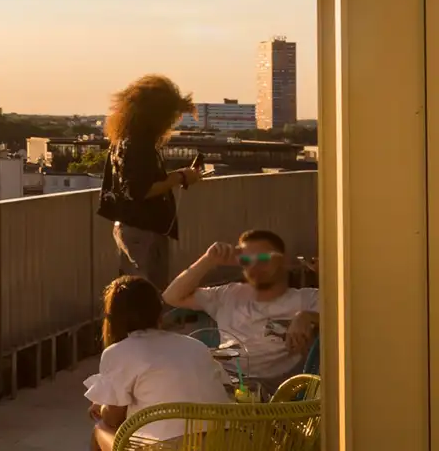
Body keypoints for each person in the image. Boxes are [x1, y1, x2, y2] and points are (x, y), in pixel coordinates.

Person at [162, 229, 320, 396]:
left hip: (273, 390)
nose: (255, 266)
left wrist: (308, 316)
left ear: (283, 260)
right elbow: (171, 297)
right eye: (246, 260)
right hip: (222, 380)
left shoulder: (305, 298)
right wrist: (208, 260)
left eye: (264, 258)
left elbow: (346, 315)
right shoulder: (228, 294)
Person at [85, 276, 230, 450]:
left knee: (101, 428)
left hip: (169, 447)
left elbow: (113, 418)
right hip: (225, 441)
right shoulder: (196, 345)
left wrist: (101, 406)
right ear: (158, 312)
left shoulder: (118, 352)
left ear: (113, 319)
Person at [99, 75, 202, 290]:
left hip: (131, 227)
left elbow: (136, 184)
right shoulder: (139, 144)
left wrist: (178, 175)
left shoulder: (124, 140)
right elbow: (140, 190)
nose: (170, 123)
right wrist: (180, 177)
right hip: (143, 231)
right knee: (148, 292)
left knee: (135, 290)